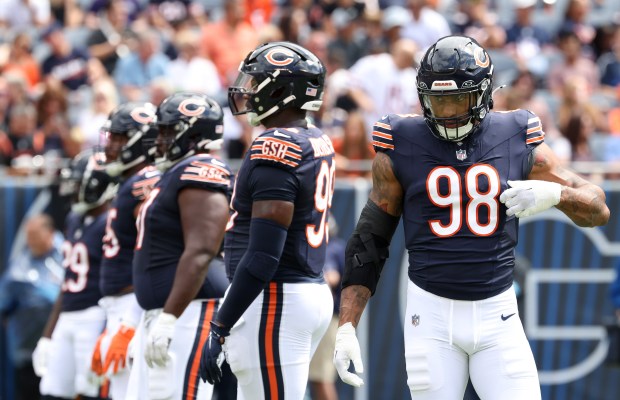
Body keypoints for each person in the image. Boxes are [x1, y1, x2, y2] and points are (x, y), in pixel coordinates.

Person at [333, 35, 610, 400]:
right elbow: (371, 239)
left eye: (456, 100)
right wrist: (346, 325)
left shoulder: (515, 134)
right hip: (429, 317)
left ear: (482, 93)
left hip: (498, 313)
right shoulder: (401, 141)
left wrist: (557, 194)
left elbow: (599, 209)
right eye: (438, 100)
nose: (446, 112)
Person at [199, 41, 335, 400]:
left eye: (257, 83)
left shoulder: (275, 146)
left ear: (280, 90)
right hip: (301, 290)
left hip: (277, 296)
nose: (249, 90)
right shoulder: (315, 138)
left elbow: (263, 256)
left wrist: (220, 324)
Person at [125, 92, 232, 400]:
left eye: (166, 131)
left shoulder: (200, 169)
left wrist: (169, 318)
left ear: (192, 134)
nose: (158, 139)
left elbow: (201, 250)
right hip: (169, 310)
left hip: (189, 311)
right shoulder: (173, 174)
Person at [89, 102, 161, 399]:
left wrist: (129, 322)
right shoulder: (129, 183)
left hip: (136, 306)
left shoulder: (145, 184)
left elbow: (151, 256)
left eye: (118, 138)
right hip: (120, 308)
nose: (110, 145)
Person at [33, 149, 117, 399]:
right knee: (52, 389)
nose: (73, 189)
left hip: (94, 314)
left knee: (90, 390)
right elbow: (67, 281)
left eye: (79, 183)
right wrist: (47, 335)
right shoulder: (74, 218)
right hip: (68, 313)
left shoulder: (110, 222)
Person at [0, 214, 64, 400]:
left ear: (50, 233)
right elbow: (4, 307)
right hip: (29, 355)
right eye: (29, 235)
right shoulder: (19, 268)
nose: (31, 240)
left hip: (64, 347)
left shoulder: (68, 254)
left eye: (35, 234)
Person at [308, 215, 346, 400]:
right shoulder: (339, 247)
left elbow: (332, 277)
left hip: (328, 319)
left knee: (321, 378)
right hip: (333, 318)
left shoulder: (330, 248)